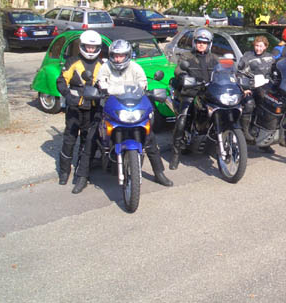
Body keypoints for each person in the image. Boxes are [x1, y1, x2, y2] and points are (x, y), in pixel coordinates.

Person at [72, 39, 173, 194]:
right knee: (92, 137)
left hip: (130, 108)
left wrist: (145, 92)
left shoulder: (135, 67)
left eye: (121, 56)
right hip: (109, 107)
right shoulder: (105, 67)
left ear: (127, 55)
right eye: (115, 55)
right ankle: (82, 177)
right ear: (111, 55)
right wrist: (104, 91)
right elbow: (101, 84)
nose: (118, 59)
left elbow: (142, 85)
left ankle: (159, 173)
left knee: (150, 139)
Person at [56, 30, 103, 187]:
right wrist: (67, 95)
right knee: (69, 139)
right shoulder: (72, 61)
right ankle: (64, 172)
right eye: (88, 46)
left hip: (93, 108)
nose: (90, 50)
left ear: (98, 48)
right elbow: (61, 81)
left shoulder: (102, 64)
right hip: (75, 108)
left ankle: (81, 171)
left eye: (93, 47)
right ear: (82, 46)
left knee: (87, 140)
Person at [170, 28, 219, 170]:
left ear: (209, 44)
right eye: (199, 42)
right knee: (182, 119)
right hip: (190, 92)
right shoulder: (186, 57)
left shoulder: (214, 58)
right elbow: (179, 70)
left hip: (209, 93)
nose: (201, 45)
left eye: (204, 42)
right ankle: (175, 154)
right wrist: (183, 77)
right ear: (194, 42)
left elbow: (223, 70)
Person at [237, 35, 276, 153]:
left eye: (261, 46)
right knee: (249, 104)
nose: (258, 48)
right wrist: (245, 88)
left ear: (265, 47)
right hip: (251, 88)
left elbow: (276, 71)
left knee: (270, 109)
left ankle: (265, 141)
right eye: (256, 45)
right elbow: (240, 73)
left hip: (266, 88)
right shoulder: (247, 57)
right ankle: (245, 132)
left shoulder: (270, 58)